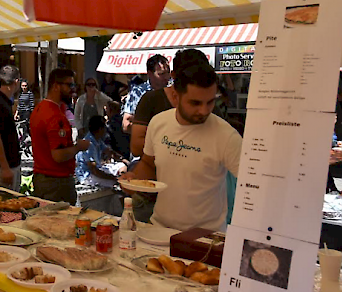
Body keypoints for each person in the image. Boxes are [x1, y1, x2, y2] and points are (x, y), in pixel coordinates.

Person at [122, 63, 241, 231]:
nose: (204, 110)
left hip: (205, 238)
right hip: (159, 228)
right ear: (176, 97)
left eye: (210, 102)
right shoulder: (158, 123)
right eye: (195, 103)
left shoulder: (227, 136)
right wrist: (132, 180)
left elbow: (251, 188)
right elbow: (148, 164)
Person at [30, 68, 90, 205]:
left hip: (43, 178)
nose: (73, 89)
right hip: (56, 182)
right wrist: (78, 147)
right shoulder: (54, 116)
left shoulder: (40, 108)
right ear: (56, 86)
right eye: (69, 85)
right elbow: (58, 155)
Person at [121, 55, 170, 134]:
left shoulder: (173, 90)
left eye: (168, 73)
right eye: (161, 74)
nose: (167, 77)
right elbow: (126, 125)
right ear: (150, 74)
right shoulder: (138, 92)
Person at [76, 115, 128, 189]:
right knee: (116, 184)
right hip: (88, 176)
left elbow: (109, 151)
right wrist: (114, 178)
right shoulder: (88, 144)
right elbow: (94, 170)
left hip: (98, 168)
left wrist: (123, 160)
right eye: (104, 127)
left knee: (121, 166)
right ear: (100, 129)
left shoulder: (97, 139)